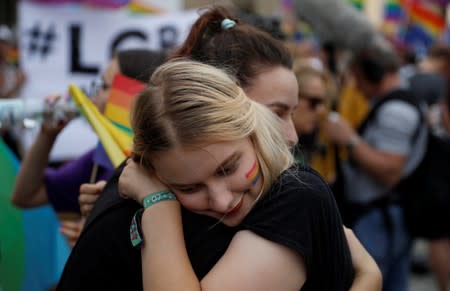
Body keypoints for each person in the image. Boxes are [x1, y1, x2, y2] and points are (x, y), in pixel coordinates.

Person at [58, 7, 381, 291]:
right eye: (275, 113)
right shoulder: (149, 186)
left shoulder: (292, 194)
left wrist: (368, 275)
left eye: (228, 167)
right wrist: (156, 207)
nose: (222, 199)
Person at [118, 58, 354, 290]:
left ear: (253, 134)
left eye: (228, 168)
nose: (222, 202)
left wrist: (158, 203)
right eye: (190, 188)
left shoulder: (298, 197)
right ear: (158, 176)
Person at [11, 49, 166, 246]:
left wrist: (98, 230)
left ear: (134, 95)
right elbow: (25, 196)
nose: (94, 97)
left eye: (104, 86)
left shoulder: (162, 165)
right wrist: (47, 135)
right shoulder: (98, 159)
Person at [326, 45, 428, 291]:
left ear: (374, 73)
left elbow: (390, 171)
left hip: (379, 219)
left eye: (359, 79)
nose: (357, 88)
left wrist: (348, 139)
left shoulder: (396, 111)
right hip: (384, 215)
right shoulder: (398, 101)